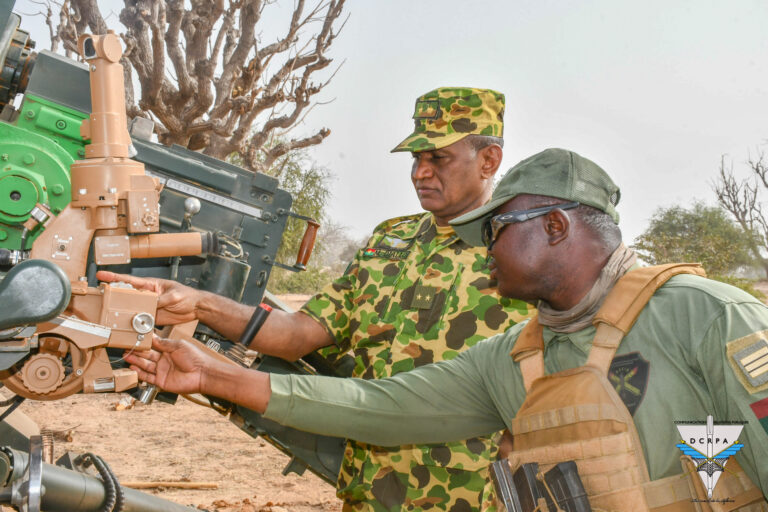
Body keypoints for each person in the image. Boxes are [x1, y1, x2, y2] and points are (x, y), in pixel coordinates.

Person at [124, 148, 768, 507]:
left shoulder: (707, 317)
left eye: (494, 231)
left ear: (554, 227)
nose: (482, 249)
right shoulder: (515, 357)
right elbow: (377, 407)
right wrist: (214, 374)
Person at [100, 87, 533, 512]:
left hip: (475, 496)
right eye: (417, 159)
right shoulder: (392, 241)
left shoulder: (523, 251)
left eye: (438, 158)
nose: (420, 173)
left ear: (489, 160)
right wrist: (198, 303)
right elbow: (299, 334)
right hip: (371, 491)